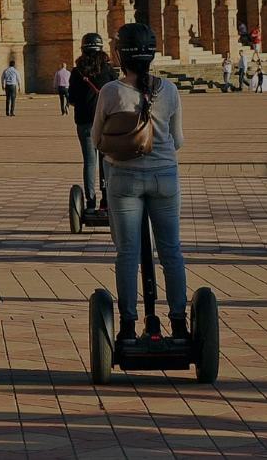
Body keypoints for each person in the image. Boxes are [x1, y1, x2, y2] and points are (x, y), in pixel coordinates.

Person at [92, 23, 188, 343]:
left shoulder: (110, 91)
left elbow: (96, 139)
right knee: (171, 251)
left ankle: (129, 325)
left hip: (124, 178)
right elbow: (177, 141)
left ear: (121, 55)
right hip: (165, 178)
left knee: (128, 253)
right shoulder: (170, 90)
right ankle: (178, 322)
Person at [68, 33, 118, 211]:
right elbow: (117, 94)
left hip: (85, 123)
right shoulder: (108, 70)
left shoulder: (77, 72)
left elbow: (71, 98)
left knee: (89, 162)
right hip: (106, 123)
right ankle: (106, 199)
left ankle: (90, 201)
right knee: (106, 160)